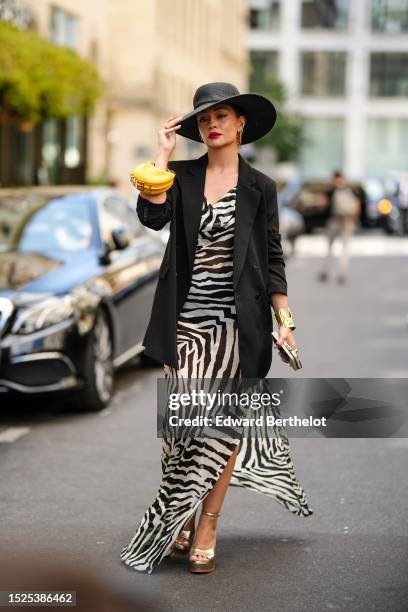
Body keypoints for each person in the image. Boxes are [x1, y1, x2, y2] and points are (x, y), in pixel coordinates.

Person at [120, 82, 313, 575]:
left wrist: (284, 321)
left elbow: (273, 258)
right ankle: (181, 510)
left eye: (222, 115)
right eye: (204, 119)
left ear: (240, 123)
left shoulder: (261, 187)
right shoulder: (181, 175)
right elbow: (151, 217)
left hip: (236, 324)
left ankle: (207, 522)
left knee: (221, 427)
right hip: (185, 320)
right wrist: (161, 156)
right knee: (184, 425)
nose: (212, 125)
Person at [317, 170, 360, 285]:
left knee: (330, 247)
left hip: (334, 221)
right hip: (348, 221)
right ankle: (342, 273)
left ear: (333, 178)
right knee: (345, 248)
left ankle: (326, 271)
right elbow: (357, 206)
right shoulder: (350, 190)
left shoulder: (330, 190)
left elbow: (322, 204)